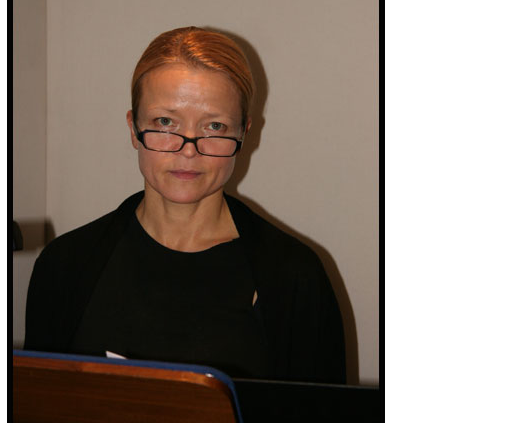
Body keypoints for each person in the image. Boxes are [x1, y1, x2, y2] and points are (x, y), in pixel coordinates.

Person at [24, 26, 346, 383]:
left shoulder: (296, 277)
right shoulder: (64, 265)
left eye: (214, 126)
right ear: (133, 128)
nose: (188, 150)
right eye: (165, 122)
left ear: (244, 133)